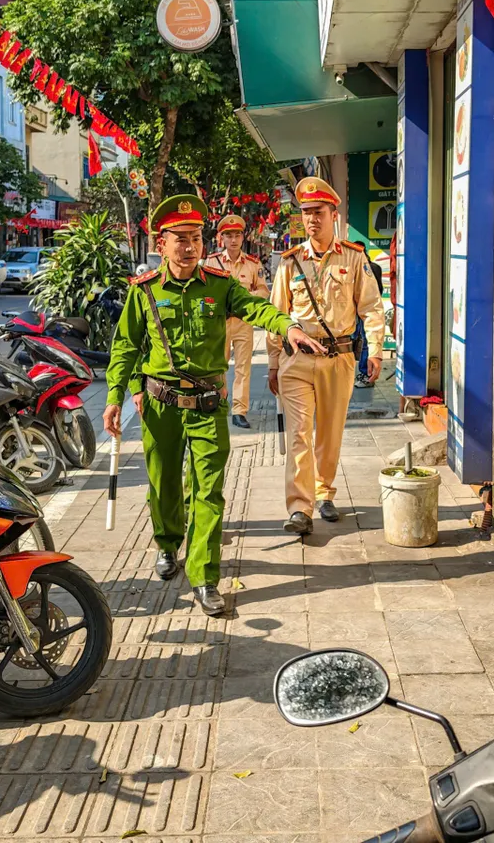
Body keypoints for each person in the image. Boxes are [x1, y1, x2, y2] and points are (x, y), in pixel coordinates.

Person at [103, 194, 325, 616]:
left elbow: (258, 308)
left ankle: (204, 575)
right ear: (162, 242)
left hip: (207, 405)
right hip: (160, 406)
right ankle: (168, 545)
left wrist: (288, 326)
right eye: (180, 239)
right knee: (164, 482)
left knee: (209, 490)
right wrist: (115, 397)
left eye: (196, 238)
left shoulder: (221, 286)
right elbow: (126, 347)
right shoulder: (144, 291)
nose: (189, 246)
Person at [268, 177, 386, 535]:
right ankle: (299, 508)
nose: (311, 220)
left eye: (318, 212)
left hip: (339, 358)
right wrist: (273, 364)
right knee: (299, 435)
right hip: (297, 360)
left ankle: (324, 491)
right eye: (306, 213)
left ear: (334, 214)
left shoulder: (353, 256)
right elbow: (277, 314)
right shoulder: (290, 262)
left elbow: (372, 308)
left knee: (330, 433)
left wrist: (377, 352)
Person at [203, 214, 268, 429]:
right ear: (221, 238)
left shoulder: (252, 264)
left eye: (237, 235)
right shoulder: (212, 262)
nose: (233, 240)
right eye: (228, 235)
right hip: (219, 323)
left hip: (243, 322)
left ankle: (239, 411)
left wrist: (246, 299)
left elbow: (263, 290)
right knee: (218, 366)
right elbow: (204, 292)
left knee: (243, 368)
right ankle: (220, 402)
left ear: (243, 237)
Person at [355, 258, 385, 388]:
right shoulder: (376, 267)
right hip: (361, 311)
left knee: (365, 341)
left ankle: (365, 373)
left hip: (363, 312)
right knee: (361, 340)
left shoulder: (368, 268)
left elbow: (372, 297)